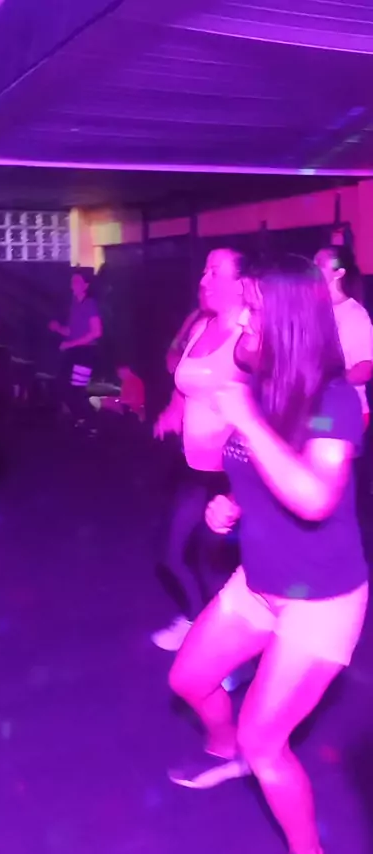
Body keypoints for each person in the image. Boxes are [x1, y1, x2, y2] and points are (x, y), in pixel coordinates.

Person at [168, 255, 368, 854]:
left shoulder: (334, 399)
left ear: (286, 319)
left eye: (252, 309)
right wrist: (230, 503)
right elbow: (259, 471)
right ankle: (227, 752)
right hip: (257, 582)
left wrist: (248, 422)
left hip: (321, 602)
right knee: (188, 680)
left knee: (266, 742)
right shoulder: (261, 386)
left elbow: (315, 497)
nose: (241, 319)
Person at [152, 248, 245, 651]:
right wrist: (173, 411)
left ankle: (228, 649)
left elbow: (273, 407)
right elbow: (184, 381)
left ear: (240, 284)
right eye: (204, 270)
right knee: (172, 553)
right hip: (192, 465)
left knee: (216, 565)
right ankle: (198, 622)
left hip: (233, 473)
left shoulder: (251, 337)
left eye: (215, 272)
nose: (204, 280)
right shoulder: (200, 326)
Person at [314, 245, 373, 429]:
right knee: (301, 431)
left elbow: (365, 369)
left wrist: (327, 382)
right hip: (320, 407)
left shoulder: (354, 314)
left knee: (313, 432)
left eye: (320, 263)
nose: (313, 267)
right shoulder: (315, 309)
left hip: (348, 412)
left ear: (339, 272)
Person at [49, 271, 102, 430]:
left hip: (85, 352)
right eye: (72, 280)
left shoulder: (90, 303)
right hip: (75, 352)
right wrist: (58, 328)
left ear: (86, 285)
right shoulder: (75, 304)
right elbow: (72, 332)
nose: (73, 283)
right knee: (63, 386)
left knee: (76, 390)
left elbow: (96, 332)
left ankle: (90, 422)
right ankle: (83, 419)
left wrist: (70, 344)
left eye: (77, 281)